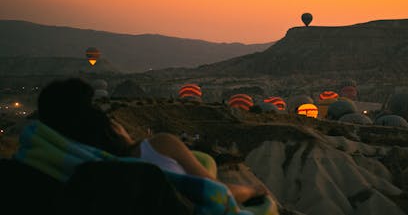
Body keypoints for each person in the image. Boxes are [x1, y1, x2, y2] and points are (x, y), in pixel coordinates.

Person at [37, 77, 267, 204]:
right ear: (109, 127)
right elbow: (218, 193)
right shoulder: (158, 146)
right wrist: (253, 190)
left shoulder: (65, 167)